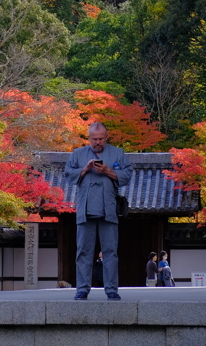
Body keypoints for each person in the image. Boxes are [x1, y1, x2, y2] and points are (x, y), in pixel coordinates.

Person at [65, 122, 133, 300]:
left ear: (106, 137)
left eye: (101, 139)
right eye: (94, 139)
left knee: (110, 251)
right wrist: (85, 169)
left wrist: (108, 171)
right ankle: (82, 289)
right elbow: (68, 174)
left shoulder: (117, 153)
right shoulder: (78, 154)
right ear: (88, 138)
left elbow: (127, 175)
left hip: (108, 209)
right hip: (85, 210)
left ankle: (111, 289)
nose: (97, 142)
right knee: (83, 251)